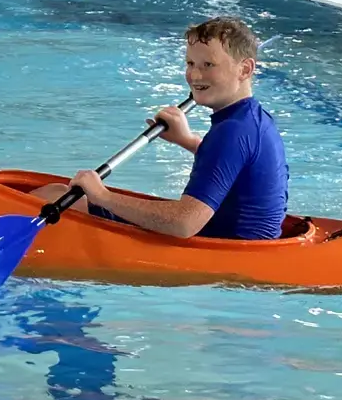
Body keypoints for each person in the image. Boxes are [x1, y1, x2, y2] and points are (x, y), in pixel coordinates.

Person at [32, 17, 288, 241]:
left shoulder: (231, 132)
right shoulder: (253, 119)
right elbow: (235, 168)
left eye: (208, 65)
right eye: (190, 63)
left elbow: (184, 224)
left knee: (52, 197)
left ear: (245, 69)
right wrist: (187, 141)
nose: (195, 76)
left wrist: (102, 195)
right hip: (242, 238)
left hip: (225, 247)